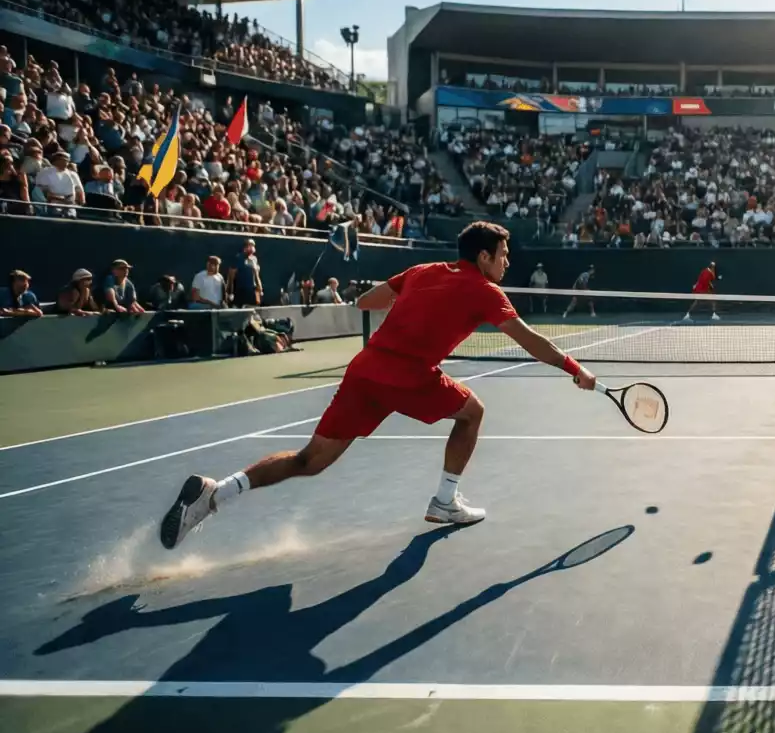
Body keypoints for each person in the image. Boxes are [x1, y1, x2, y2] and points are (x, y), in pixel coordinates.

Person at [159, 221, 598, 550]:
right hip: (406, 374)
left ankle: (216, 493)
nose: (507, 262)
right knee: (472, 413)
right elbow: (528, 338)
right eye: (503, 254)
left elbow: (365, 302)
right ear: (483, 257)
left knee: (310, 460)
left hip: (364, 370)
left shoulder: (422, 269)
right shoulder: (485, 290)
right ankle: (445, 500)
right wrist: (575, 369)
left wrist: (404, 298)